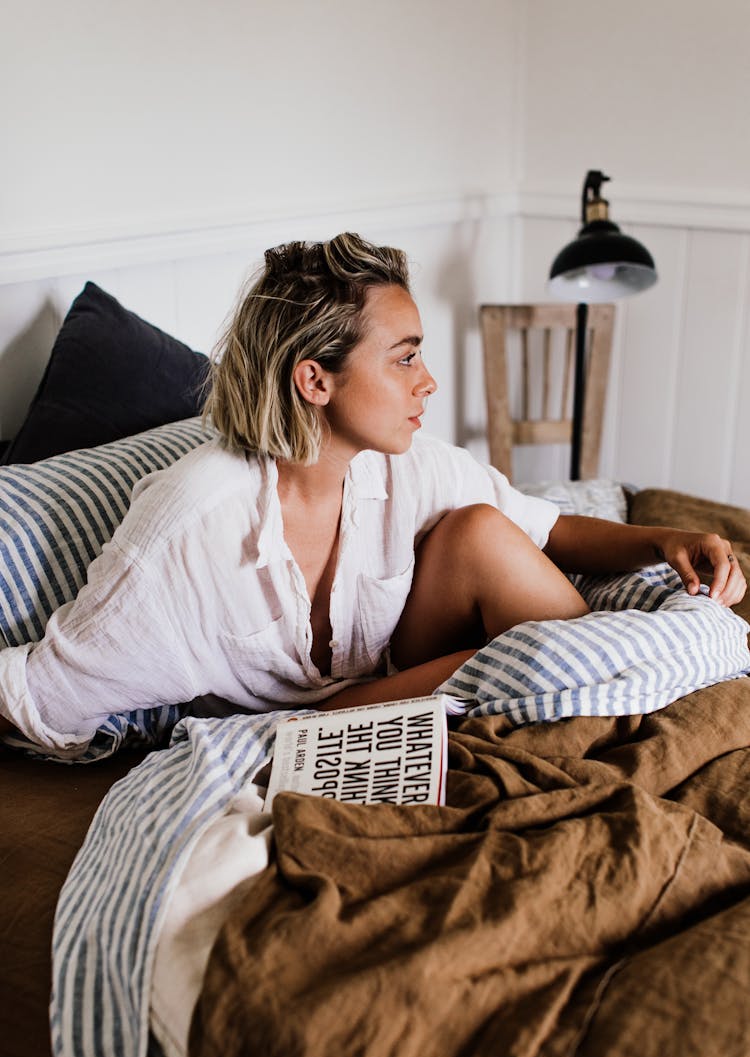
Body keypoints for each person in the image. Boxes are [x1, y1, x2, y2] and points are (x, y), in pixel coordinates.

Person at [0, 233, 745, 753]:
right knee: (519, 650)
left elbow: (542, 528)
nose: (429, 382)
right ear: (315, 380)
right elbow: (41, 694)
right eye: (405, 358)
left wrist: (664, 540)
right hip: (295, 735)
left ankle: (591, 700)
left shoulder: (403, 464)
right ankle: (558, 695)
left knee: (482, 530)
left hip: (397, 676)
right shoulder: (190, 529)